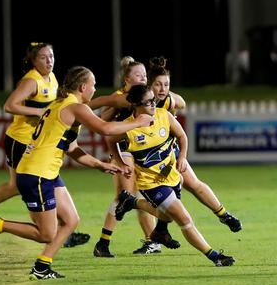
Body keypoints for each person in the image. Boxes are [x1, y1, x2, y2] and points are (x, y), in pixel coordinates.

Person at [0, 66, 152, 279]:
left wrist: (100, 165)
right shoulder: (76, 107)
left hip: (45, 172)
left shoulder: (59, 104)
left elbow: (72, 148)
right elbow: (105, 129)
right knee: (46, 234)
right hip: (36, 175)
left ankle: (41, 267)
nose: (94, 90)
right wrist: (137, 122)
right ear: (83, 87)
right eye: (93, 85)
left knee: (71, 220)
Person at [0, 42, 90, 248]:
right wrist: (40, 112)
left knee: (26, 185)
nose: (49, 61)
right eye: (43, 57)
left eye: (51, 56)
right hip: (20, 140)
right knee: (25, 186)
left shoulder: (52, 79)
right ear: (33, 61)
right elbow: (9, 105)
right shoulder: (31, 80)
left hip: (37, 144)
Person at [107, 84, 235, 267]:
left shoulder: (163, 115)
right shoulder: (128, 127)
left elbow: (182, 136)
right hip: (151, 184)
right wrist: (120, 162)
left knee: (166, 216)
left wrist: (182, 157)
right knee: (184, 219)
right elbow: (110, 139)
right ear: (135, 104)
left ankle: (132, 203)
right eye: (148, 102)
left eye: (154, 100)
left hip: (173, 177)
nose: (153, 104)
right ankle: (215, 257)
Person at [88, 56, 176, 257]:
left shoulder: (145, 95)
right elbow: (101, 107)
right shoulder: (124, 97)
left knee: (137, 196)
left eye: (145, 75)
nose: (143, 78)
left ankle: (151, 240)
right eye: (138, 75)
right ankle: (103, 243)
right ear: (126, 79)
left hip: (141, 150)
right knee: (124, 197)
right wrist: (77, 110)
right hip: (125, 148)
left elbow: (177, 100)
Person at [148, 57, 241, 234]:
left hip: (168, 153)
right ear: (149, 85)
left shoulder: (168, 101)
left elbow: (181, 102)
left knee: (192, 184)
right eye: (158, 84)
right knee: (152, 192)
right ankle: (156, 235)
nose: (162, 89)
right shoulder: (138, 103)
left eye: (166, 85)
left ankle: (223, 214)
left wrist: (181, 156)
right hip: (148, 158)